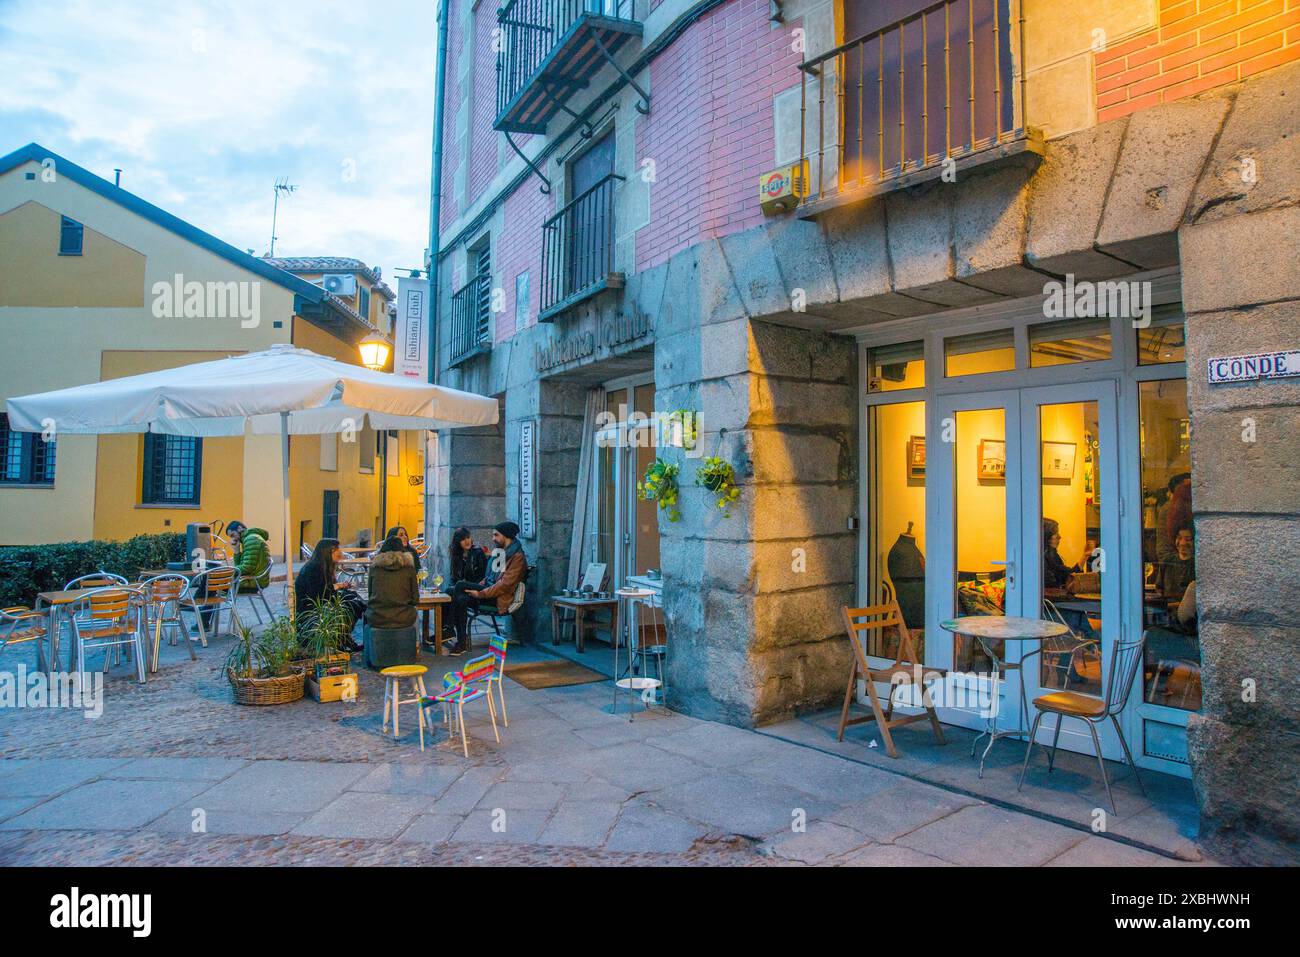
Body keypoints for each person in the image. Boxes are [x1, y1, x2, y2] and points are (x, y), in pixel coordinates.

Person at [448, 521, 526, 655]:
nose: (493, 538)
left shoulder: (517, 557)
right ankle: (459, 640)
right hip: (489, 592)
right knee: (453, 593)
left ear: (506, 536)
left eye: (496, 535)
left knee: (460, 586)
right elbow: (489, 578)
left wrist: (480, 594)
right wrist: (481, 586)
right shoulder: (501, 553)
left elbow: (504, 585)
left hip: (497, 599)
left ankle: (454, 635)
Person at [295, 537, 366, 651]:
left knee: (352, 598)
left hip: (322, 604)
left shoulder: (321, 566)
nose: (340, 552)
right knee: (353, 604)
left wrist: (340, 587)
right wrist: (339, 586)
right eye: (337, 549)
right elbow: (320, 594)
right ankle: (341, 639)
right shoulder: (315, 569)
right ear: (329, 551)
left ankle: (344, 638)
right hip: (312, 613)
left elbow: (325, 589)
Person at [364, 534, 420, 669]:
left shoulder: (374, 568)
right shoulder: (409, 569)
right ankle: (414, 650)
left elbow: (370, 594)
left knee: (366, 620)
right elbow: (415, 599)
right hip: (404, 618)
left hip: (378, 617)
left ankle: (371, 657)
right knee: (416, 615)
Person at [226, 520, 271, 591]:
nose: (233, 539)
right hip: (251, 579)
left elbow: (247, 568)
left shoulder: (251, 539)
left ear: (239, 528)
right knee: (218, 583)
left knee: (219, 584)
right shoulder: (248, 539)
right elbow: (243, 566)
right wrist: (236, 551)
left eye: (233, 535)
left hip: (254, 582)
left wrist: (228, 571)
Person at [1158, 525, 1196, 599]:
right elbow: (1159, 588)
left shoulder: (1198, 564)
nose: (1182, 543)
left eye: (1188, 539)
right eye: (1179, 538)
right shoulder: (1167, 561)